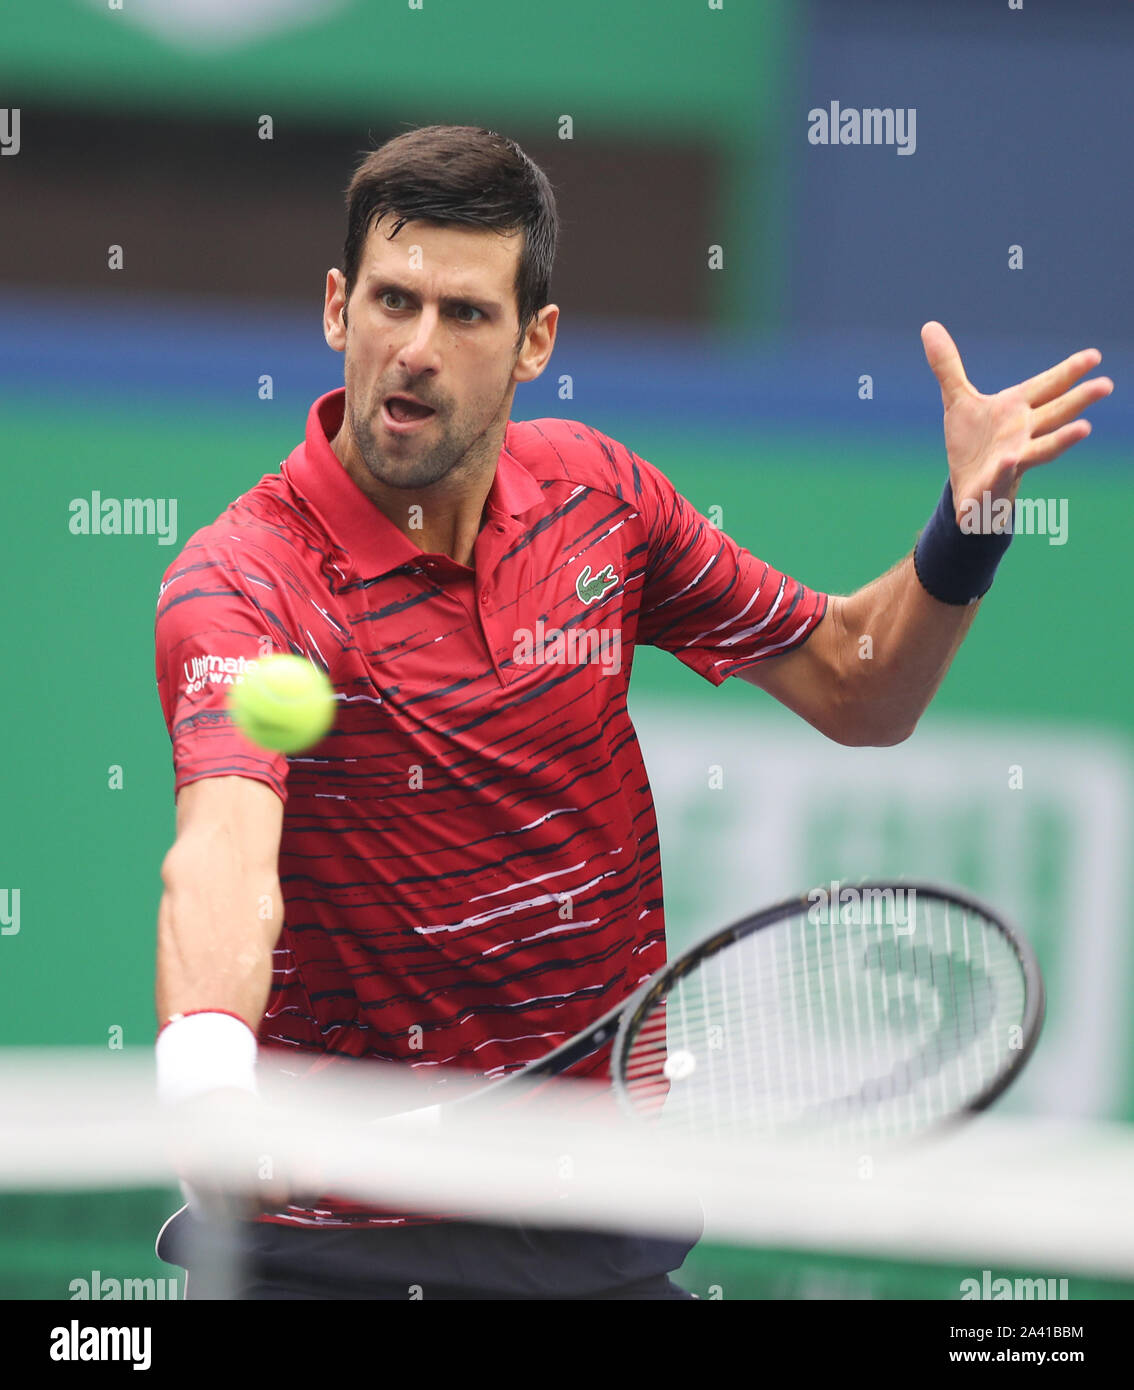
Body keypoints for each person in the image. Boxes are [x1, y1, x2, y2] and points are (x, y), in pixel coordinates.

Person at [152, 123, 1111, 1300]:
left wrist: (966, 522)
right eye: (392, 302)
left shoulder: (600, 503)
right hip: (325, 1246)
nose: (414, 348)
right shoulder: (245, 579)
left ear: (534, 342)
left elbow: (859, 685)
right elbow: (222, 849)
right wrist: (208, 1079)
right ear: (336, 309)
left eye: (465, 315)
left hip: (591, 1227)